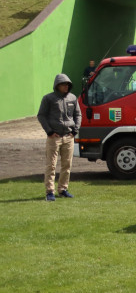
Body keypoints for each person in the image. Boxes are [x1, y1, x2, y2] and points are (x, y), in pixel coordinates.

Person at [37, 73, 81, 201]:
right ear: (57, 85)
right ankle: (50, 191)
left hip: (69, 136)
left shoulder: (72, 98)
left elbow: (78, 115)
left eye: (68, 84)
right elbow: (41, 116)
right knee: (51, 165)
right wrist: (49, 132)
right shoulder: (48, 99)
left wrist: (75, 130)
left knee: (67, 165)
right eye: (63, 84)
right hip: (54, 138)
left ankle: (63, 189)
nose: (66, 86)